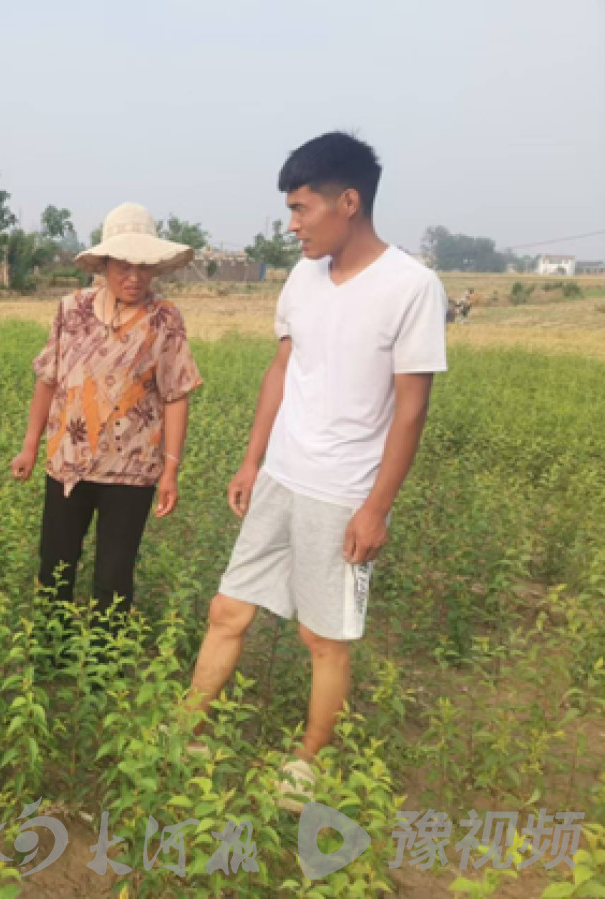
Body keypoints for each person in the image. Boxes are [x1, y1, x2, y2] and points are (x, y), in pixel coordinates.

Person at [181, 133, 448, 811]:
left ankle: (306, 764)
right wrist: (252, 459)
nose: (291, 225)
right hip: (281, 478)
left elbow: (411, 410)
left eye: (301, 209)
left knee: (321, 637)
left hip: (343, 492)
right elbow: (282, 369)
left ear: (348, 202)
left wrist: (376, 507)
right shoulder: (301, 277)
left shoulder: (412, 288)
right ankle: (186, 733)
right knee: (228, 609)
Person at [11, 202, 203, 657]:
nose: (133, 276)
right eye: (123, 265)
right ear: (105, 264)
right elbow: (48, 379)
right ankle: (50, 655)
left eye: (143, 266)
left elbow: (176, 394)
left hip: (132, 471)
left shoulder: (165, 320)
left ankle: (102, 668)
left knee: (114, 575)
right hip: (67, 465)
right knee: (56, 564)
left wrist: (171, 470)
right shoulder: (70, 310)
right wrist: (28, 447)